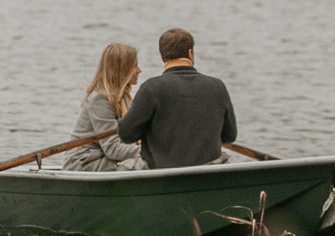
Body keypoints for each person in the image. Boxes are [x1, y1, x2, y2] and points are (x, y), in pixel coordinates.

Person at [117, 28, 237, 170]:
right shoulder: (217, 86)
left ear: (163, 57)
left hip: (162, 174)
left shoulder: (151, 88)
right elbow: (230, 135)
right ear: (190, 54)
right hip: (207, 174)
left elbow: (126, 134)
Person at [60, 42, 147, 171]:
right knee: (144, 162)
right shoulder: (100, 100)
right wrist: (149, 151)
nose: (139, 70)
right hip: (85, 163)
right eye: (135, 66)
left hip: (104, 158)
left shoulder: (123, 97)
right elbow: (112, 148)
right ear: (122, 69)